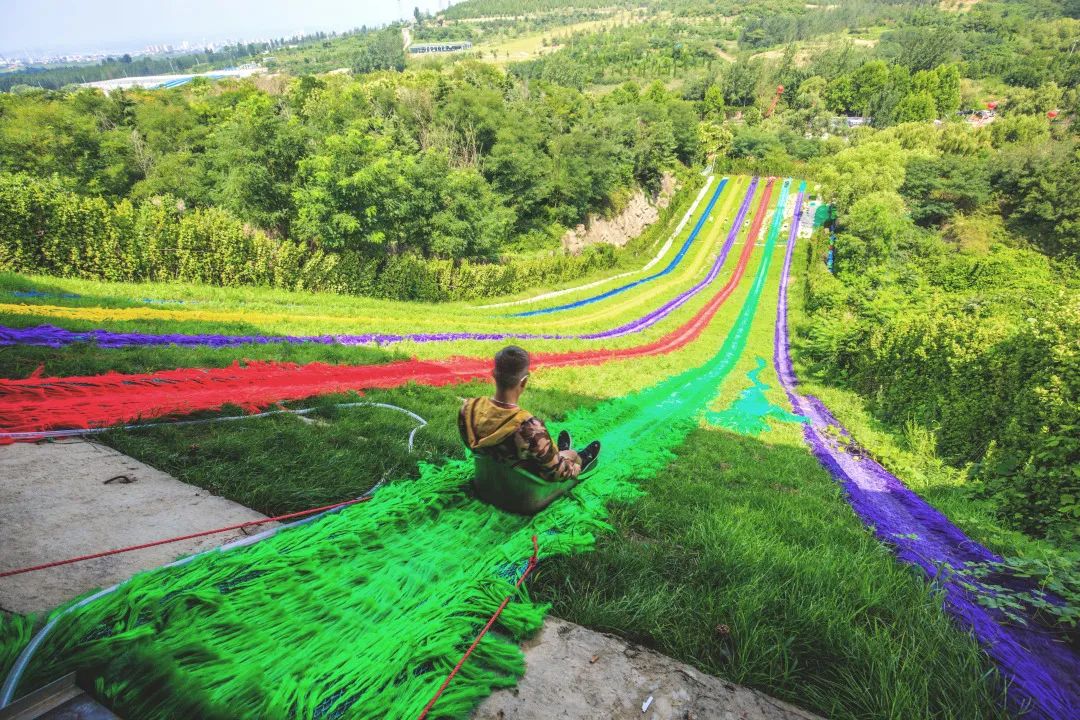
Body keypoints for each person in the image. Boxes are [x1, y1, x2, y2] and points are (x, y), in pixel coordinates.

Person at [459, 346, 600, 513]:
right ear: (524, 382)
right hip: (522, 499)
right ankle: (580, 458)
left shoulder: (468, 409)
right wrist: (572, 467)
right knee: (570, 455)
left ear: (494, 375)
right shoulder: (529, 428)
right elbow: (557, 474)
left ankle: (555, 453)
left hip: (485, 487)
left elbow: (472, 445)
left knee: (550, 454)